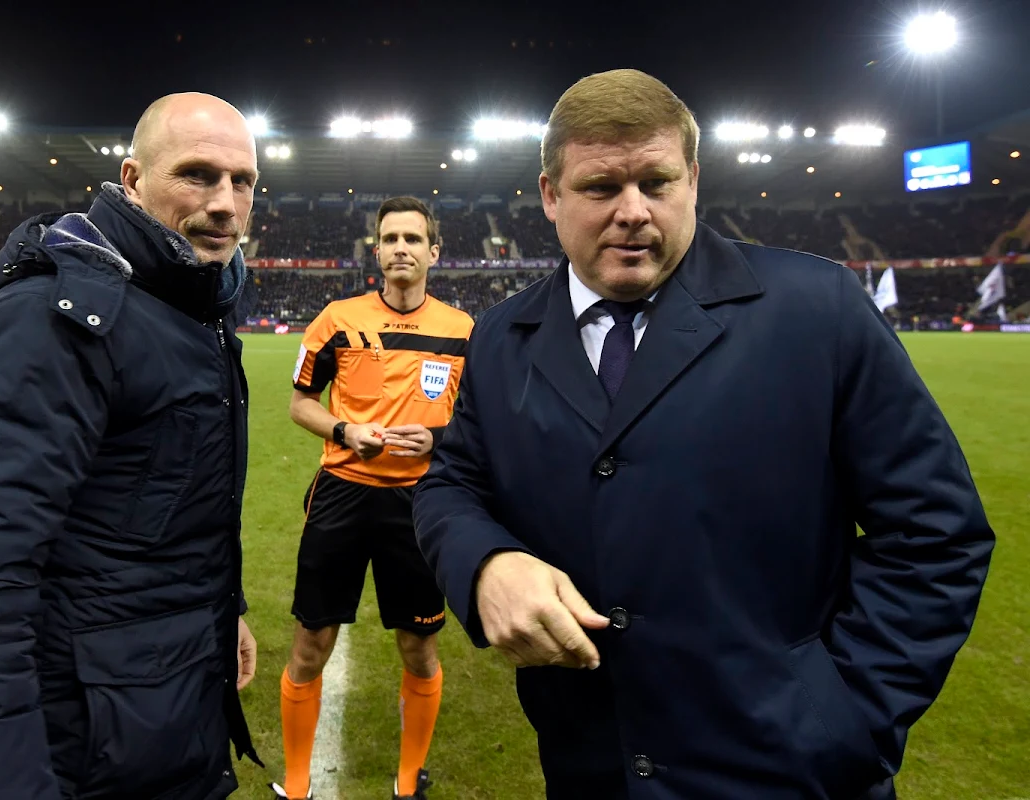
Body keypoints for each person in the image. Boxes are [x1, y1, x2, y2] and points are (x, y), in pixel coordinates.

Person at [412, 69, 995, 799]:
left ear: (693, 179)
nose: (633, 211)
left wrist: (845, 717)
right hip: (591, 766)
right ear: (550, 195)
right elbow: (450, 485)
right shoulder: (501, 336)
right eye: (601, 188)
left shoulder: (817, 309)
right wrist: (484, 564)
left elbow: (936, 531)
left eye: (656, 183)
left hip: (791, 772)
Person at [0, 92, 265, 800]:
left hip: (164, 721)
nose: (224, 202)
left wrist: (225, 608)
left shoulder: (190, 309)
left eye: (241, 181)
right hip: (86, 749)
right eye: (196, 174)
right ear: (130, 180)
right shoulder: (51, 317)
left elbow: (158, 513)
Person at [271, 197, 474, 800]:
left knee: (419, 643)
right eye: (390, 238)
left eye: (414, 238)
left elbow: (479, 422)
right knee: (313, 640)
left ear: (434, 252)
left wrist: (436, 438)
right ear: (376, 250)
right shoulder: (336, 319)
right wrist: (343, 431)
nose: (401, 248)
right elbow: (300, 402)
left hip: (419, 503)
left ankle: (408, 780)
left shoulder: (463, 330)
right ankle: (298, 781)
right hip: (341, 496)